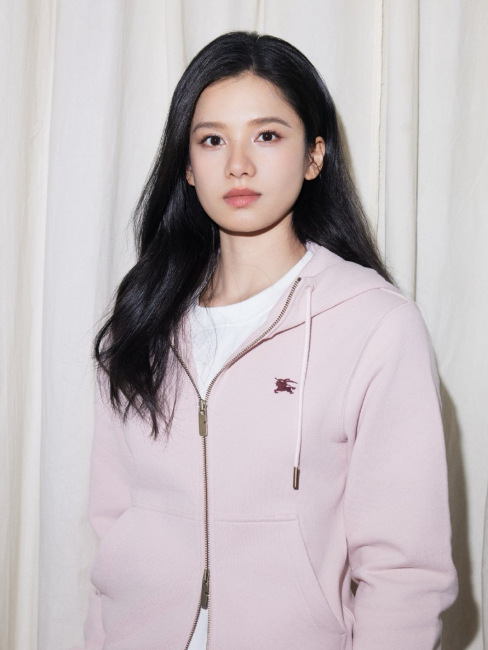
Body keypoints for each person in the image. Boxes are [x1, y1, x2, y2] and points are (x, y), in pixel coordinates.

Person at [73, 31, 457, 650]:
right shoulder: (140, 318)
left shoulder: (376, 324)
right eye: (212, 140)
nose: (238, 165)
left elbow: (404, 575)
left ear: (314, 156)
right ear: (187, 166)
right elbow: (114, 530)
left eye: (268, 136)